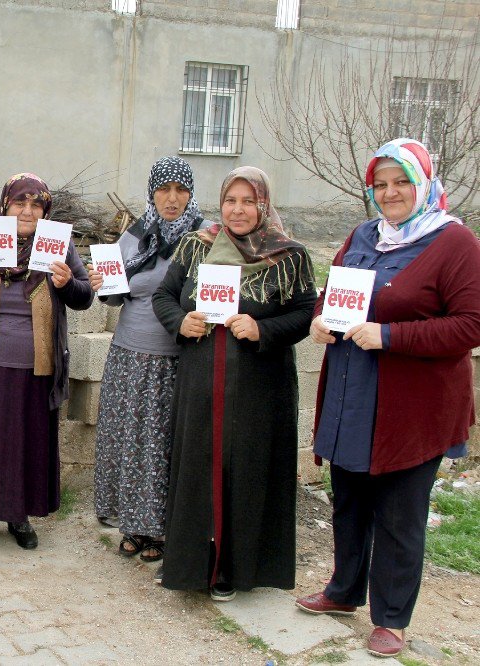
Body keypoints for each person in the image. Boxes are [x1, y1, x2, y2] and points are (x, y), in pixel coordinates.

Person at [296, 138, 480, 659]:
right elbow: (333, 294)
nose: (391, 193)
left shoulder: (454, 243)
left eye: (401, 182)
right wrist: (321, 321)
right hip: (353, 395)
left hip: (410, 407)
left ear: (423, 184)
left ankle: (392, 618)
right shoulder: (364, 235)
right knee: (349, 501)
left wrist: (391, 336)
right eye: (381, 185)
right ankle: (344, 591)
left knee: (400, 513)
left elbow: (471, 324)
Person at [151, 166, 315, 600]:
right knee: (197, 469)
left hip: (259, 389)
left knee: (244, 470)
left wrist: (264, 331)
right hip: (201, 382)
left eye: (248, 201)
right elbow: (164, 296)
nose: (238, 210)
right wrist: (180, 321)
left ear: (263, 204)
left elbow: (303, 313)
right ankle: (189, 564)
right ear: (220, 203)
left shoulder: (288, 254)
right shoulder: (198, 245)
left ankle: (234, 568)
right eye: (230, 201)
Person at [0, 173, 97, 549]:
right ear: (5, 205)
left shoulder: (57, 245)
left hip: (37, 366)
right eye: (19, 203)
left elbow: (84, 296)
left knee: (29, 440)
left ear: (45, 210)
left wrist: (66, 284)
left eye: (36, 204)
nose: (27, 211)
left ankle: (21, 517)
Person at [94, 156, 205, 564]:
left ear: (191, 195)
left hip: (172, 360)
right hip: (127, 353)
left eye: (180, 190)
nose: (171, 199)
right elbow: (116, 294)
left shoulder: (203, 239)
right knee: (127, 440)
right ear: (152, 193)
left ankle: (159, 529)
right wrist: (100, 283)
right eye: (163, 190)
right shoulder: (137, 234)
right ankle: (132, 524)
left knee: (159, 444)